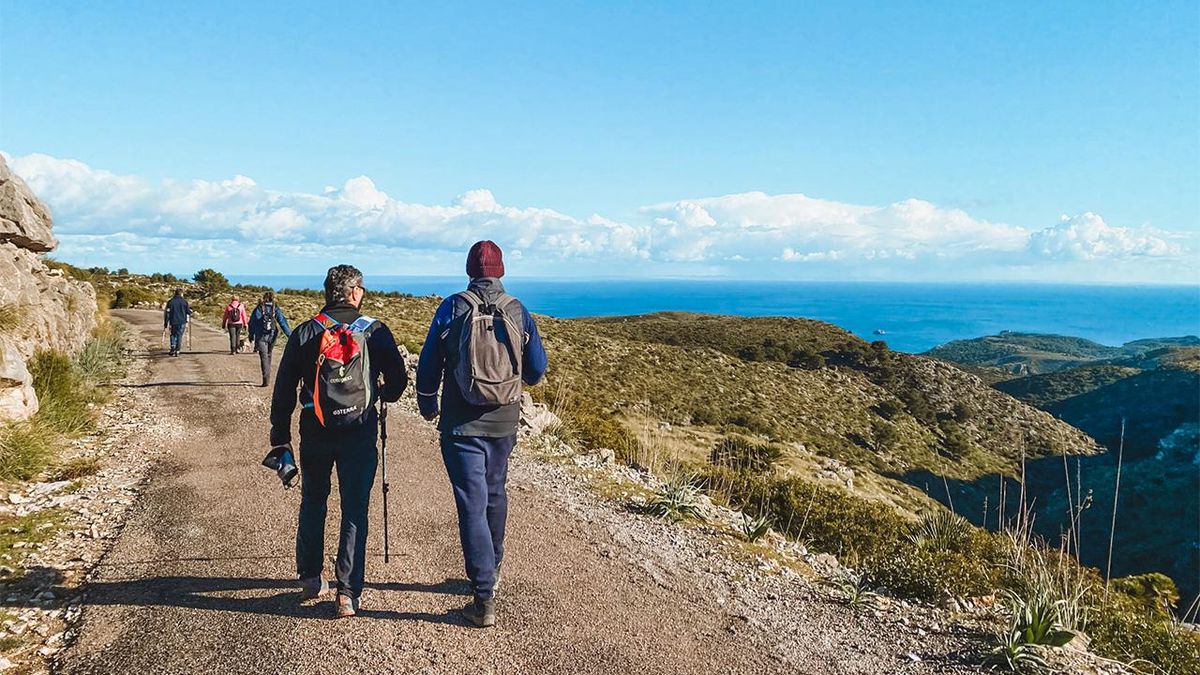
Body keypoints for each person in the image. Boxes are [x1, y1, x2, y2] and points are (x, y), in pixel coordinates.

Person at [416, 240, 547, 628]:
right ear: (501, 270)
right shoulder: (518, 311)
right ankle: (494, 566)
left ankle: (484, 597)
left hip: (461, 424)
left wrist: (428, 404)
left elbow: (428, 364)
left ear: (470, 270)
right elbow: (537, 370)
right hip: (504, 420)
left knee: (470, 503)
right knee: (495, 492)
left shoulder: (452, 307)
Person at [269, 265, 408, 618]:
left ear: (327, 292)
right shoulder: (374, 331)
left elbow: (284, 389)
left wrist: (280, 435)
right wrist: (380, 394)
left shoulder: (304, 332)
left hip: (315, 431)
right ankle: (348, 593)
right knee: (355, 508)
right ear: (356, 292)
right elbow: (397, 381)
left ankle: (311, 577)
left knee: (314, 499)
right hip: (359, 431)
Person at [248, 291, 293, 387]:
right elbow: (282, 322)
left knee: (263, 356)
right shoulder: (275, 308)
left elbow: (252, 322)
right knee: (269, 354)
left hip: (261, 335)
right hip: (273, 335)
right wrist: (290, 336)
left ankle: (266, 379)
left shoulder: (259, 307)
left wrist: (251, 335)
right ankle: (268, 374)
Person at [162, 288, 193, 357]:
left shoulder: (170, 302)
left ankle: (173, 346)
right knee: (179, 335)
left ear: (175, 293)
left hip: (173, 321)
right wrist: (191, 311)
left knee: (172, 334)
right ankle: (177, 350)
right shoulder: (184, 302)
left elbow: (167, 313)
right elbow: (188, 312)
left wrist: (166, 322)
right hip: (182, 322)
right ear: (181, 294)